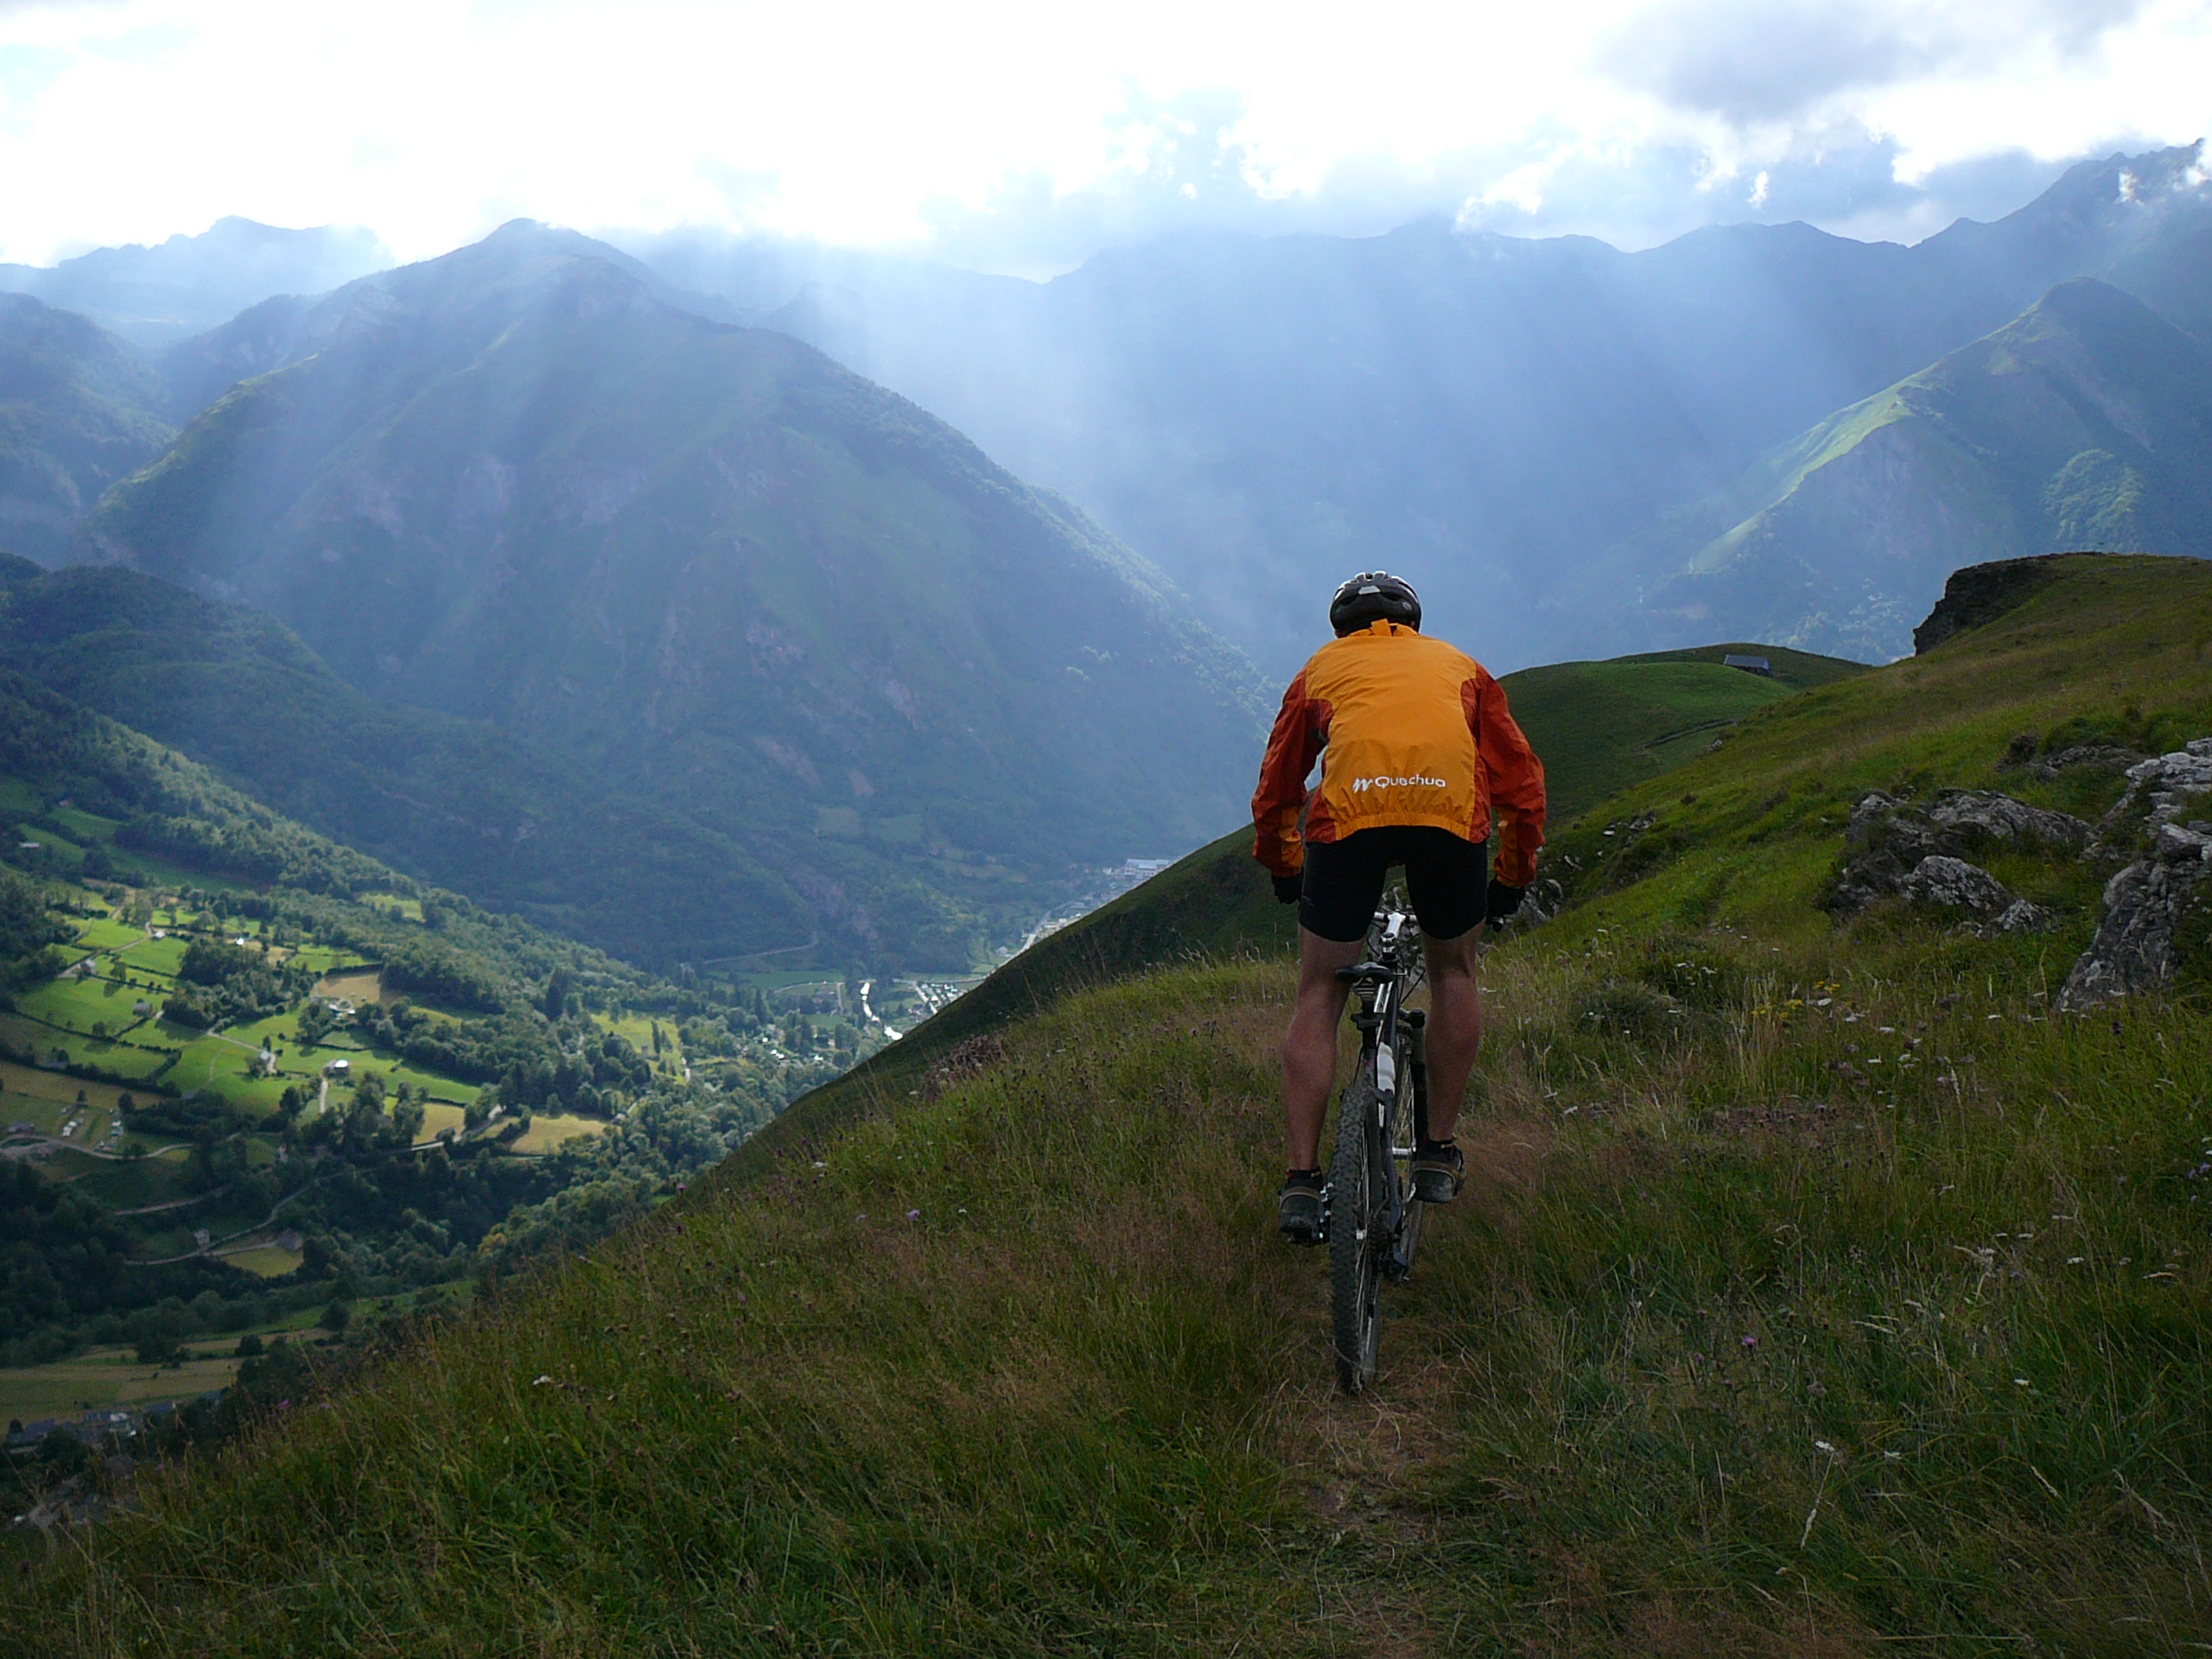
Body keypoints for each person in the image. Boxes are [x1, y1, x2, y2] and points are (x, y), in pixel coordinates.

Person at [1251, 572, 1547, 1243]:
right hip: (1448, 821)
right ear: (1413, 623)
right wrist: (1511, 876)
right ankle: (1437, 1153)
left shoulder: (1320, 672)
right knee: (1453, 974)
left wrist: (1285, 866)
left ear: (1340, 630)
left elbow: (1276, 789)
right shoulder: (1461, 667)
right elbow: (1522, 783)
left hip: (1351, 823)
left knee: (1319, 994)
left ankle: (1301, 1180)